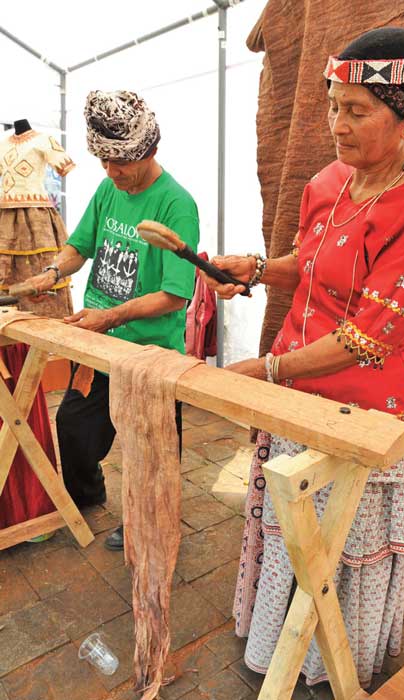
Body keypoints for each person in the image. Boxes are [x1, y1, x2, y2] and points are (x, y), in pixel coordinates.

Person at [201, 27, 404, 689]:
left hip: (365, 409)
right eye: (334, 105)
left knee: (338, 547)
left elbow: (367, 337)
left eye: (356, 110)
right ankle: (280, 645)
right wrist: (253, 268)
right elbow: (308, 266)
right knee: (289, 532)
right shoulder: (329, 181)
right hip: (301, 389)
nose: (337, 124)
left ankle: (333, 661)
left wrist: (268, 371)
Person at [24, 90, 199, 551]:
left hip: (149, 353)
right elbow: (79, 246)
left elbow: (175, 295)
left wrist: (112, 316)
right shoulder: (108, 189)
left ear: (149, 151)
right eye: (103, 163)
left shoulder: (176, 204)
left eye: (120, 164)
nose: (111, 173)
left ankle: (149, 521)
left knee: (151, 453)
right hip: (97, 345)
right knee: (74, 431)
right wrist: (52, 271)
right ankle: (88, 492)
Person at [0, 118, 74, 536]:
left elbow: (63, 166)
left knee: (36, 296)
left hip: (36, 222)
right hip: (4, 225)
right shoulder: (2, 144)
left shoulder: (46, 138)